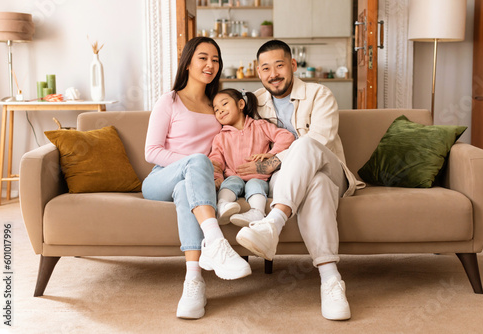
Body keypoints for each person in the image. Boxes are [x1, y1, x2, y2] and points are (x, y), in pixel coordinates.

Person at [234, 40, 363, 321]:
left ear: (292, 65)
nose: (273, 74)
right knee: (314, 185)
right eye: (266, 68)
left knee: (304, 146)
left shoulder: (320, 94)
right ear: (258, 72)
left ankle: (274, 224)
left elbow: (319, 141)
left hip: (332, 170)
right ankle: (331, 280)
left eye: (279, 65)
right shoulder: (254, 103)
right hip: (298, 182)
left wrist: (272, 161)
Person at [142, 37, 251, 320]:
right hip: (159, 179)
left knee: (184, 190)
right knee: (193, 166)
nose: (210, 64)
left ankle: (194, 281)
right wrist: (194, 164)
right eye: (203, 57)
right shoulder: (170, 100)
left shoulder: (218, 105)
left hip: (197, 183)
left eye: (215, 59)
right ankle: (216, 243)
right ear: (188, 61)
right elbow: (151, 151)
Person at [208, 88, 295, 226]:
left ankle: (257, 212)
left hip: (258, 177)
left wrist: (271, 155)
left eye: (224, 104)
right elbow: (216, 160)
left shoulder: (260, 126)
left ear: (241, 104)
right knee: (230, 183)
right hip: (233, 177)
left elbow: (286, 137)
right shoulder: (220, 137)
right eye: (216, 110)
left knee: (255, 185)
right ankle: (223, 205)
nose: (220, 111)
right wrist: (217, 178)